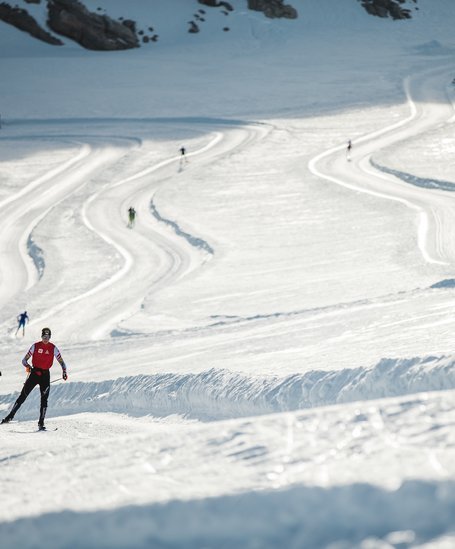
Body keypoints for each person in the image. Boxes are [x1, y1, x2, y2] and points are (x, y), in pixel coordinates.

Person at [1, 327, 68, 430]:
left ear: (50, 337)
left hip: (45, 376)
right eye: (44, 336)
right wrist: (28, 366)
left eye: (48, 336)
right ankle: (9, 417)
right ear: (41, 336)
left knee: (44, 400)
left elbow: (62, 362)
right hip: (34, 374)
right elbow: (24, 360)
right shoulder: (35, 346)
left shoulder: (53, 348)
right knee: (23, 395)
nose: (46, 338)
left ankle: (41, 423)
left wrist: (64, 371)